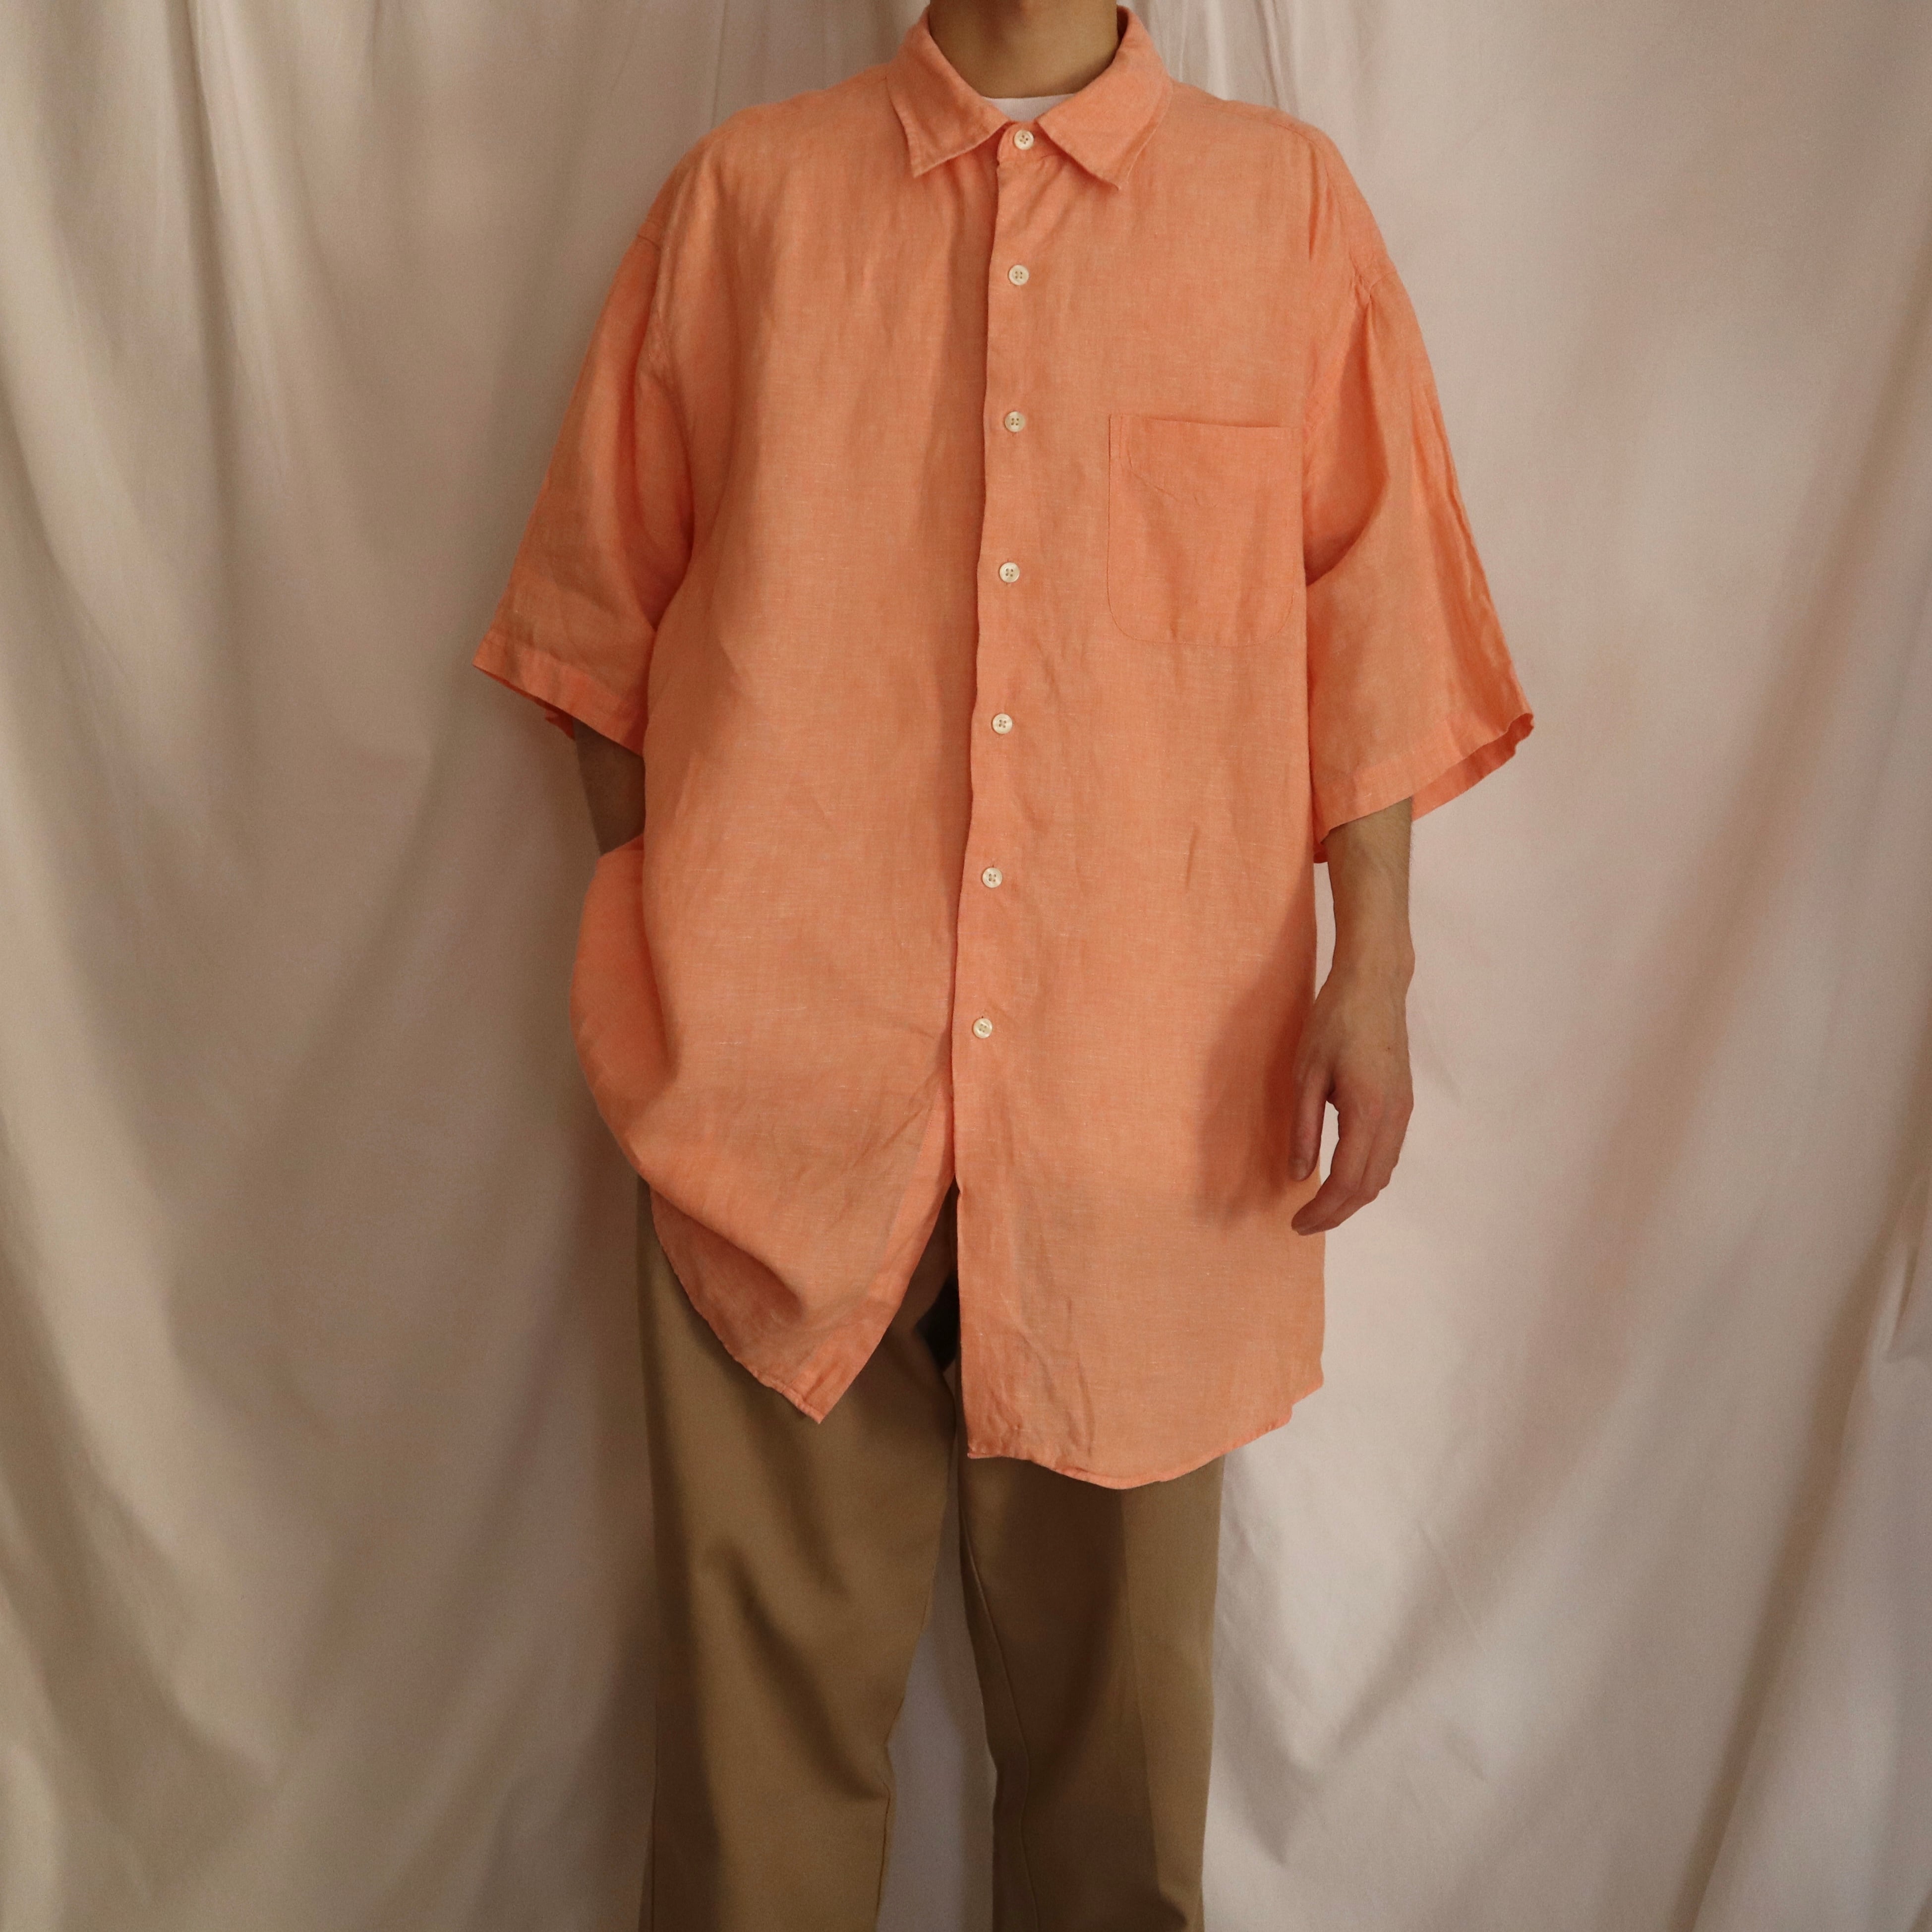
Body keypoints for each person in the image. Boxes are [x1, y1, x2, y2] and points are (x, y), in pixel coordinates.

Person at [472, 0, 1532, 1924]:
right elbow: (593, 626)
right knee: (752, 1792)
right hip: (776, 1118)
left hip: (1147, 1116)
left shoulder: (1279, 212)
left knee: (1118, 1776)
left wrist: (1369, 970)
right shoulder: (749, 201)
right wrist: (695, 929)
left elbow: (1372, 629)